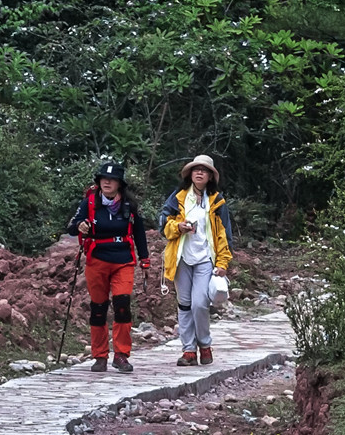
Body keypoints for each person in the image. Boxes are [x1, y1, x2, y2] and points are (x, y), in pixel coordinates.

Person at [69, 160, 149, 373]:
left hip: (123, 259)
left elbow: (139, 232)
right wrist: (80, 226)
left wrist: (145, 258)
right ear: (99, 181)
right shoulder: (89, 203)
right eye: (104, 178)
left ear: (119, 184)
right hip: (97, 260)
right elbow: (70, 227)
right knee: (98, 309)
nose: (107, 182)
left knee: (122, 305)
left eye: (112, 179)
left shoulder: (129, 206)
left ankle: (121, 355)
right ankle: (100, 356)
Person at [161, 154, 235, 366]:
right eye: (196, 169)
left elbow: (224, 235)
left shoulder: (217, 201)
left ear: (211, 176)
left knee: (200, 304)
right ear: (190, 174)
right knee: (184, 304)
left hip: (205, 259)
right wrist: (178, 227)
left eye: (204, 170)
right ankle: (188, 350)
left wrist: (222, 263)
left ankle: (204, 344)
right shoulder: (178, 198)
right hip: (182, 257)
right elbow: (163, 226)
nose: (199, 173)